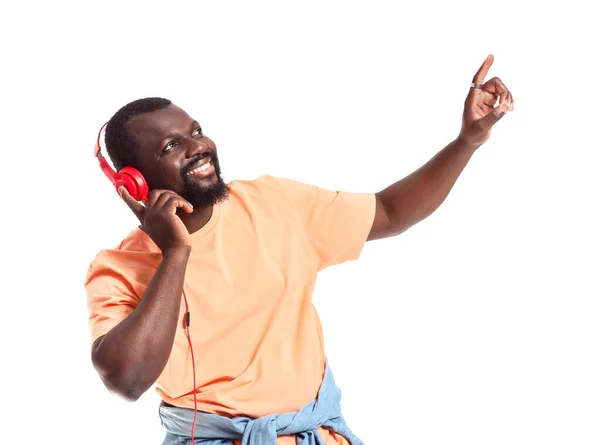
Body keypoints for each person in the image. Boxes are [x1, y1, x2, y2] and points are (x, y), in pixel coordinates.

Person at [85, 55, 514, 445]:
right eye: (170, 146)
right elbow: (127, 381)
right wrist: (176, 252)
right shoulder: (117, 269)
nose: (197, 146)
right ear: (133, 183)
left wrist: (466, 142)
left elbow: (388, 211)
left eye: (195, 131)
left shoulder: (273, 202)